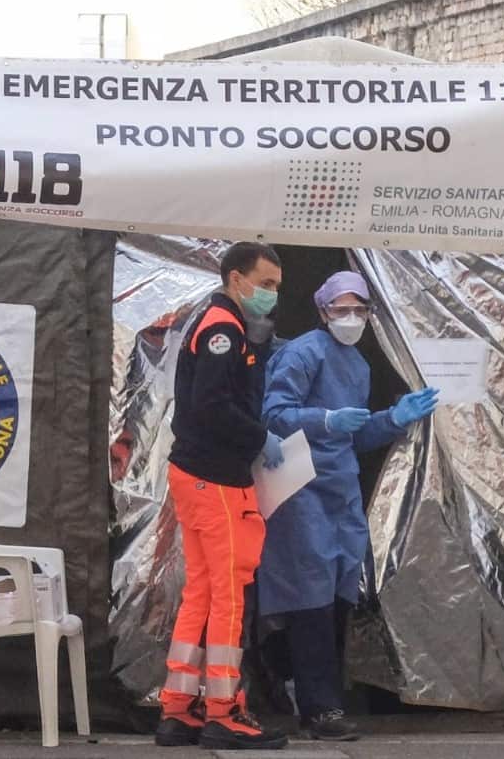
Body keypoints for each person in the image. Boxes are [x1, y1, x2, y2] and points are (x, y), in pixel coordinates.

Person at [258, 271, 438, 741]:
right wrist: (326, 418)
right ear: (322, 311)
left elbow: (353, 437)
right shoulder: (303, 353)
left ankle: (309, 691)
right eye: (342, 308)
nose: (352, 317)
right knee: (309, 596)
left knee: (337, 595)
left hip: (340, 492)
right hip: (301, 489)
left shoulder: (357, 365)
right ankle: (321, 709)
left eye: (360, 309)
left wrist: (392, 419)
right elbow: (272, 414)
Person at [155, 242, 289, 751]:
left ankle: (177, 708)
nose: (272, 294)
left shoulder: (223, 324)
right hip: (216, 478)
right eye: (266, 283)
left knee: (204, 592)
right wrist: (260, 438)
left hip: (197, 475)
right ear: (236, 279)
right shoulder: (221, 328)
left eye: (277, 286)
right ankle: (223, 710)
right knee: (229, 594)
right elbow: (211, 407)